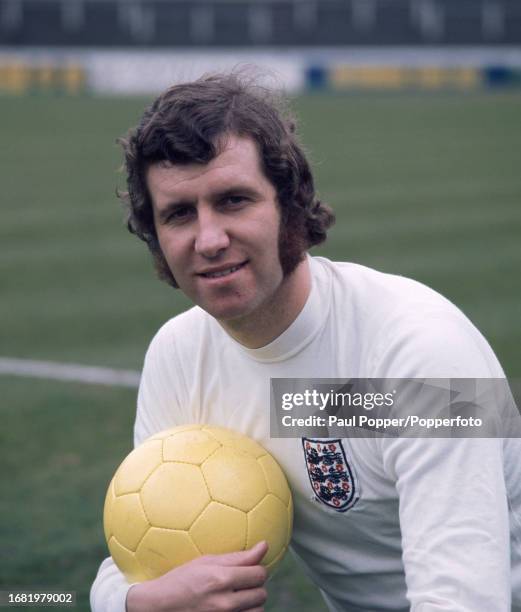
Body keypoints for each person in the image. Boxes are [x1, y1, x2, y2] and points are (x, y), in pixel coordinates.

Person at [91, 73, 521, 611]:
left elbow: (467, 601)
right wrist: (141, 604)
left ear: (290, 204)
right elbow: (134, 559)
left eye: (233, 201)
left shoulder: (423, 354)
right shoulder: (180, 356)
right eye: (179, 214)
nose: (209, 240)